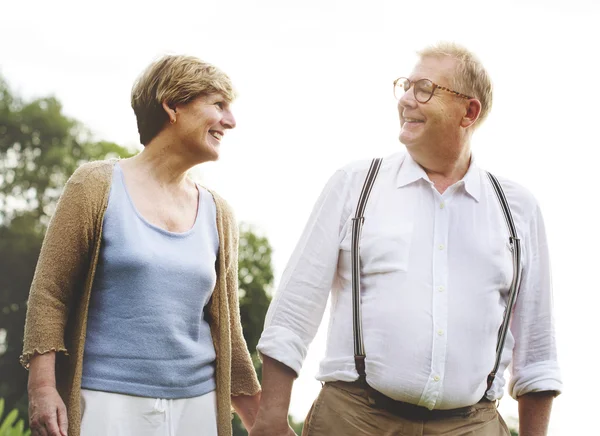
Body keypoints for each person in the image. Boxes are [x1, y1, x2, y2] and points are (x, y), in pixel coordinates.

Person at [251, 42, 562, 436]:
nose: (406, 99)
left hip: (472, 425)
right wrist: (271, 418)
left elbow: (537, 350)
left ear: (469, 111)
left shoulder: (517, 208)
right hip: (353, 419)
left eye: (424, 89)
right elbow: (294, 310)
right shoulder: (355, 184)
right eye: (405, 86)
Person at [21, 55, 261, 436]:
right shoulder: (94, 186)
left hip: (196, 407)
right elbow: (50, 294)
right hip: (104, 401)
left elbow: (229, 329)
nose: (230, 121)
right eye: (218, 105)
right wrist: (43, 388)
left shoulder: (219, 214)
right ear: (173, 106)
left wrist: (263, 420)